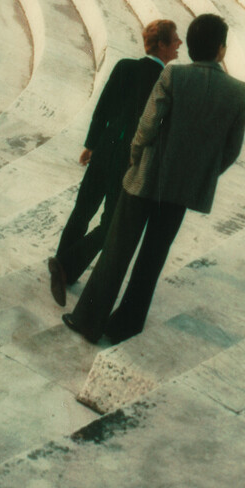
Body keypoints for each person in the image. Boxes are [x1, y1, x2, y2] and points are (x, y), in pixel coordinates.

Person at [63, 13, 245, 345]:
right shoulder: (237, 91)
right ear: (221, 49)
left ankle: (89, 319)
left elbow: (146, 127)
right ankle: (125, 326)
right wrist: (199, 173)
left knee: (119, 249)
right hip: (182, 191)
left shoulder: (173, 75)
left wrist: (135, 160)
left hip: (147, 177)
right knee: (153, 258)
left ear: (190, 47)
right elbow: (231, 150)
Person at [47, 19, 181, 307]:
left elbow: (103, 107)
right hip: (129, 159)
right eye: (175, 40)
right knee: (110, 223)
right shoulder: (164, 82)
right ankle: (67, 266)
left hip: (105, 147)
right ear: (162, 45)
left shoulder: (125, 66)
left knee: (83, 208)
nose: (180, 44)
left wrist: (91, 144)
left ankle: (61, 264)